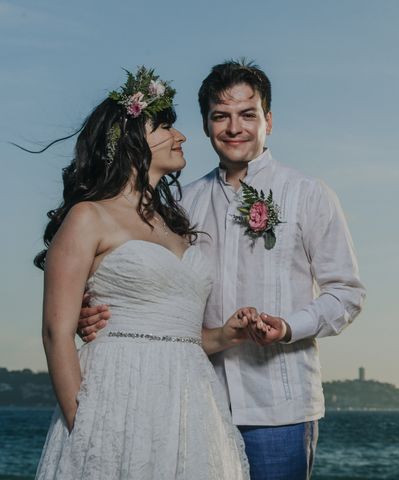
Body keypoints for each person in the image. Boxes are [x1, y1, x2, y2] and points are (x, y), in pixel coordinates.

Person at [80, 59, 366, 480]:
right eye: (221, 116)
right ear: (206, 124)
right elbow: (147, 284)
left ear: (268, 120)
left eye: (248, 114)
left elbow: (346, 294)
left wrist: (288, 326)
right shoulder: (180, 206)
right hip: (193, 401)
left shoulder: (308, 194)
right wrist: (96, 313)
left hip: (279, 410)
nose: (235, 127)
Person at [34, 67, 251, 479]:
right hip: (117, 400)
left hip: (190, 402)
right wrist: (86, 430)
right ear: (130, 142)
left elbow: (174, 334)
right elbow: (55, 332)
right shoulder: (88, 217)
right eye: (165, 126)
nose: (181, 135)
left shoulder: (175, 226)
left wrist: (226, 335)